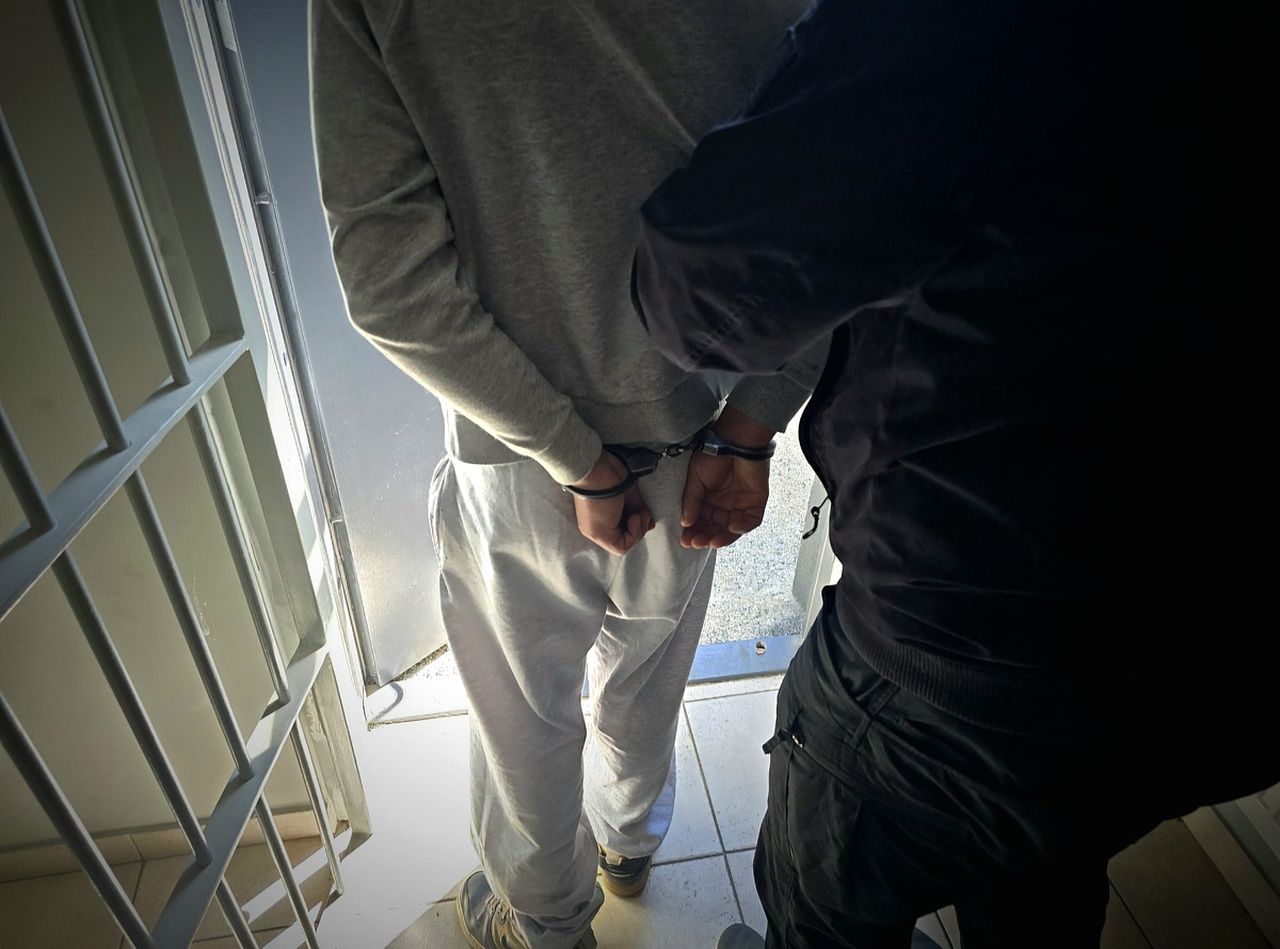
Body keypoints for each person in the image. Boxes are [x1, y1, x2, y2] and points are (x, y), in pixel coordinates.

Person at [632, 0, 1278, 945]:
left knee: (831, 893)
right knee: (1055, 839)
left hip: (962, 656)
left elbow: (696, 295)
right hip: (1222, 664)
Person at [310, 2, 824, 946]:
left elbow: (389, 285)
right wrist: (755, 419)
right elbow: (841, 210)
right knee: (646, 677)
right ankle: (629, 841)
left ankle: (547, 922)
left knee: (525, 715)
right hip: (700, 439)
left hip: (517, 451)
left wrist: (575, 457)